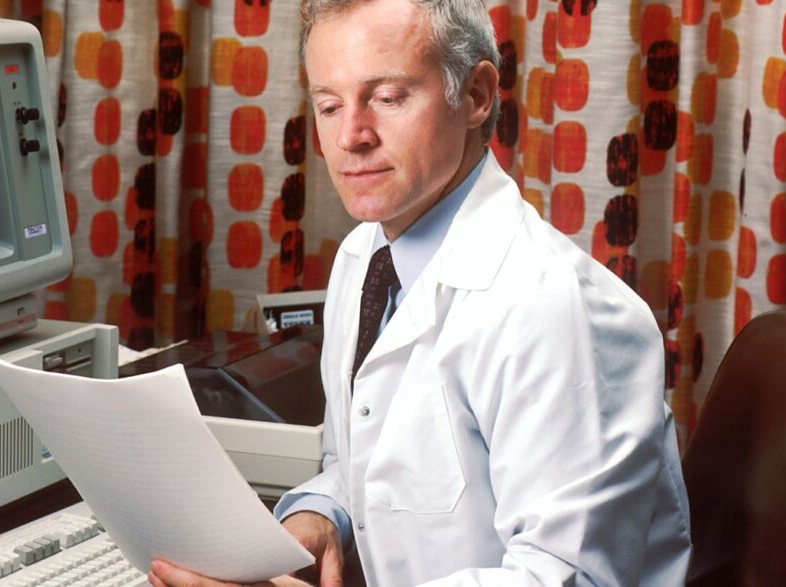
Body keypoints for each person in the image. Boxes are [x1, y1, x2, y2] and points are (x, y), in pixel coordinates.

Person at [149, 0, 692, 585]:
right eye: (329, 106)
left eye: (387, 98)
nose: (351, 136)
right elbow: (366, 465)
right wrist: (321, 513)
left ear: (478, 95)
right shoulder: (363, 260)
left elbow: (566, 576)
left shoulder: (556, 307)